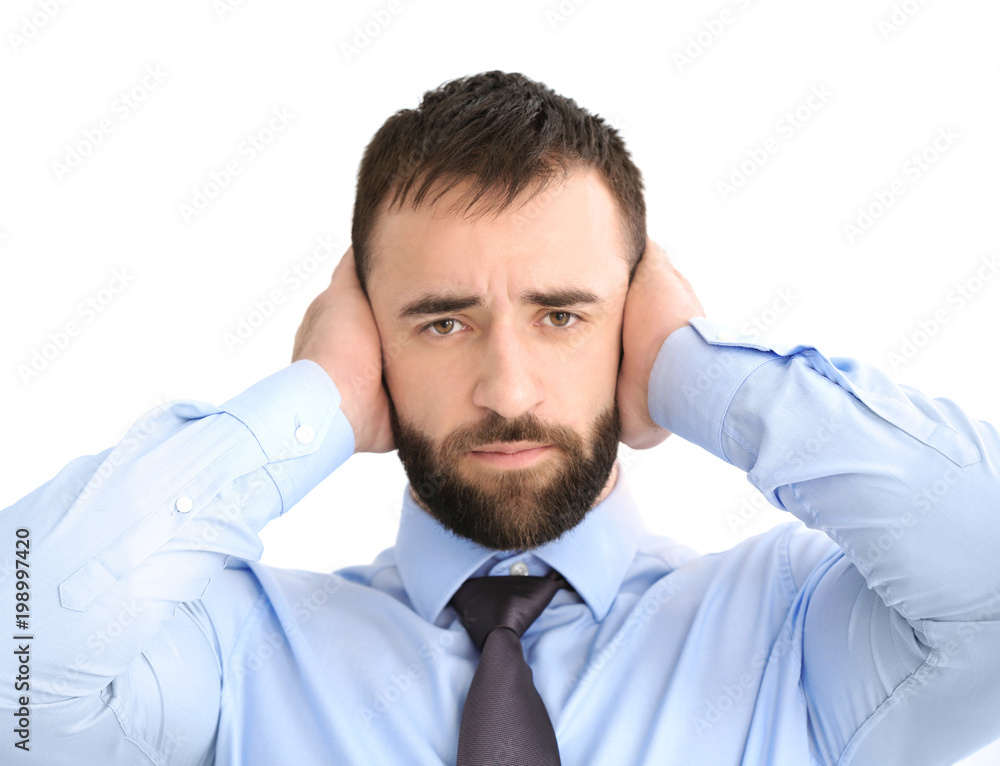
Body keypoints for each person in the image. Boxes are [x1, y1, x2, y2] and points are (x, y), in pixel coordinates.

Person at [2, 70, 999, 765]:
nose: (508, 389)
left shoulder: (795, 634)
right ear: (371, 336)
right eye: (441, 321)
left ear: (630, 320)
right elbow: (16, 665)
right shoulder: (239, 652)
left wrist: (700, 374)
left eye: (562, 314)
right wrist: (308, 405)